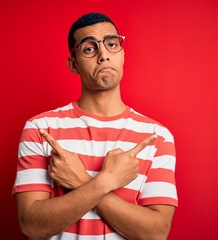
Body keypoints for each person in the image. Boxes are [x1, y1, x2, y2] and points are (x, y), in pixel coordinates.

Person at [13, 12, 178, 240]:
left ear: (122, 55)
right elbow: (31, 226)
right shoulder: (40, 129)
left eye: (111, 44)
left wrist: (80, 179)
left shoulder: (157, 136)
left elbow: (156, 233)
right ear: (73, 64)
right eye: (89, 49)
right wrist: (107, 181)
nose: (104, 56)